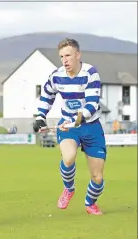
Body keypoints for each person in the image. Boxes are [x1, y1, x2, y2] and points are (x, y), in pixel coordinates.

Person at [33, 38, 106, 215]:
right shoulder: (56, 76)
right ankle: (69, 189)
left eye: (68, 55)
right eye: (61, 56)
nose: (65, 60)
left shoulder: (90, 73)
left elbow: (91, 105)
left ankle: (90, 203)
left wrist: (73, 122)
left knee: (98, 177)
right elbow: (47, 96)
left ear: (78, 55)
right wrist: (40, 116)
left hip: (91, 127)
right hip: (68, 126)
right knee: (69, 157)